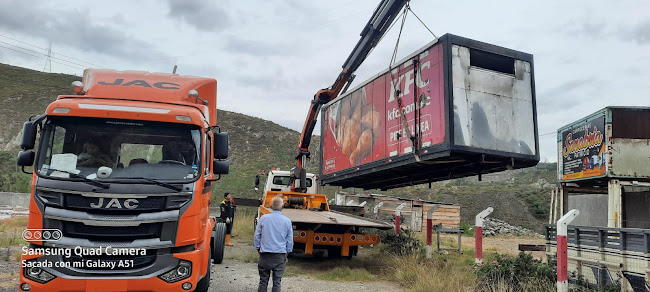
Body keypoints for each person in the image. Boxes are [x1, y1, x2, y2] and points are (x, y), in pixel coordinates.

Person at [253, 196, 293, 292]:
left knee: (263, 281)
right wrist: (287, 251)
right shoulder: (287, 221)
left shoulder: (263, 219)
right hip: (280, 255)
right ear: (282, 207)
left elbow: (257, 236)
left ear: (271, 206)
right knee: (277, 282)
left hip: (265, 254)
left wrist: (258, 248)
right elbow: (290, 240)